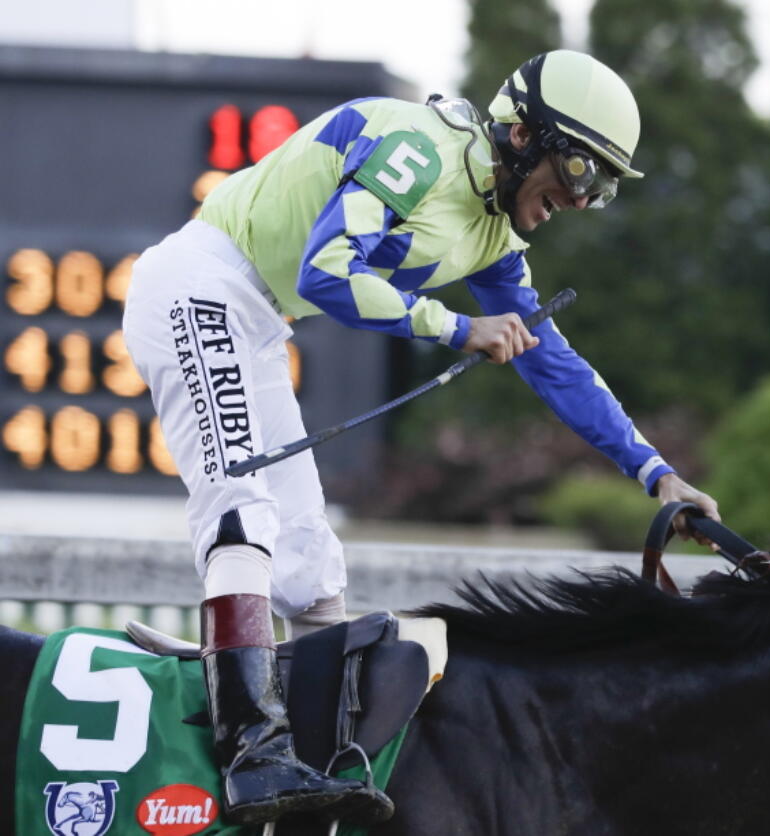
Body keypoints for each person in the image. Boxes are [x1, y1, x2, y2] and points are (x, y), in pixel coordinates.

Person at [122, 50, 719, 826]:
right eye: (579, 171)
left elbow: (556, 364)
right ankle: (250, 752)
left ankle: (315, 759)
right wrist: (457, 326)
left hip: (260, 321)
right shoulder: (419, 149)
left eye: (599, 187)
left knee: (312, 558)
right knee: (244, 511)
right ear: (521, 137)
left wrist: (655, 472)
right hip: (198, 286)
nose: (580, 199)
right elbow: (329, 270)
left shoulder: (494, 237)